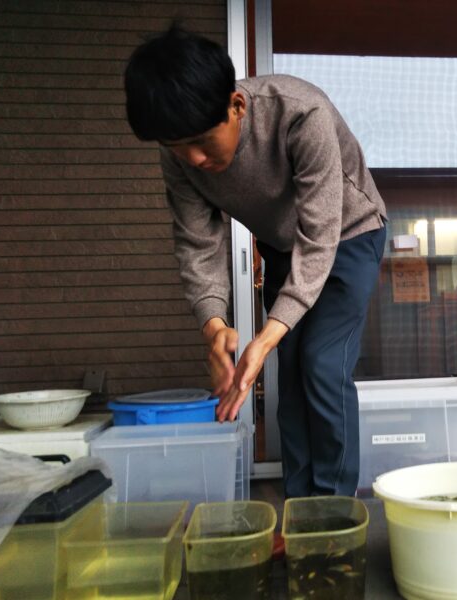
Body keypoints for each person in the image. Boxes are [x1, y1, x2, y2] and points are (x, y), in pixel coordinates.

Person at [123, 25, 387, 499]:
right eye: (177, 147)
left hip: (348, 235)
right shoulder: (179, 155)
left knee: (323, 364)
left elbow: (320, 236)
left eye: (203, 140)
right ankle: (300, 504)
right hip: (283, 247)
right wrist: (215, 328)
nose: (194, 158)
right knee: (292, 377)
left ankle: (334, 511)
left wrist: (264, 338)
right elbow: (198, 244)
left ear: (237, 106)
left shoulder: (299, 113)